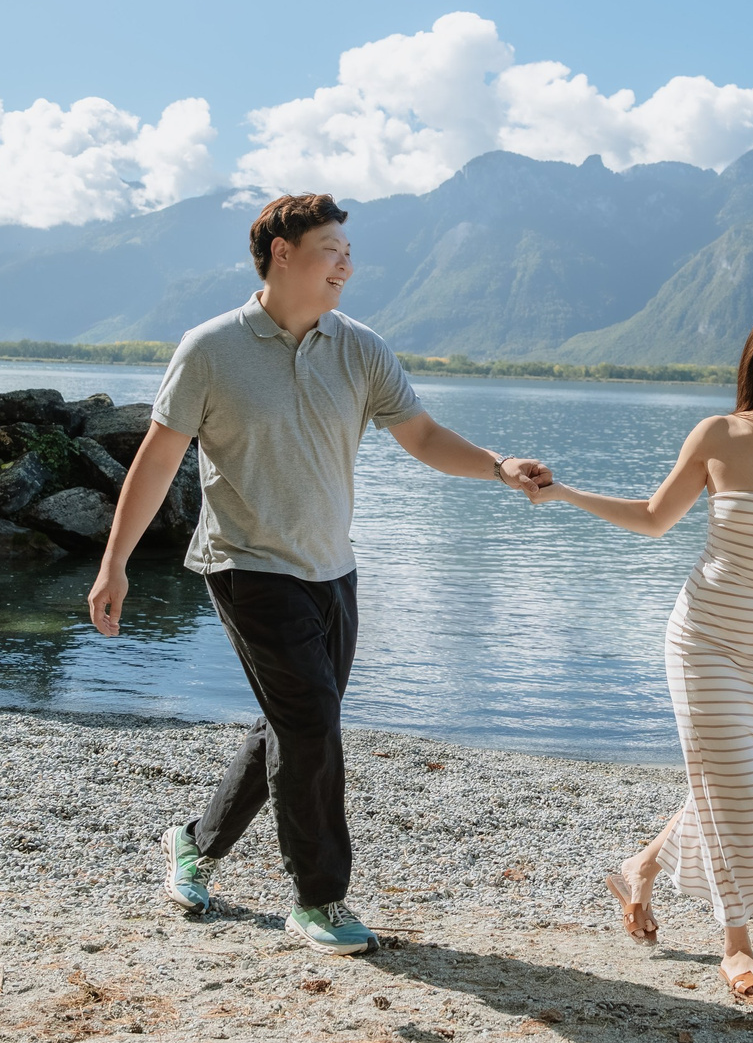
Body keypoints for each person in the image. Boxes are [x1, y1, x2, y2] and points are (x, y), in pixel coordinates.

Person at [88, 192, 551, 955]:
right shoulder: (210, 348)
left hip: (332, 568)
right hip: (245, 564)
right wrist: (115, 565)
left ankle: (194, 845)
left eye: (347, 250)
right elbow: (159, 457)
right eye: (331, 248)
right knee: (312, 723)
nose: (347, 263)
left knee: (289, 721)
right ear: (281, 251)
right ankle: (319, 898)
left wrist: (498, 466)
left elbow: (423, 434)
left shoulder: (359, 347)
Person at [527, 304, 753, 1002]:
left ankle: (640, 867)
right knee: (734, 785)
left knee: (723, 783)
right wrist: (563, 493)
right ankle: (736, 947)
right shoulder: (717, 434)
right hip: (702, 636)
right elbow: (654, 519)